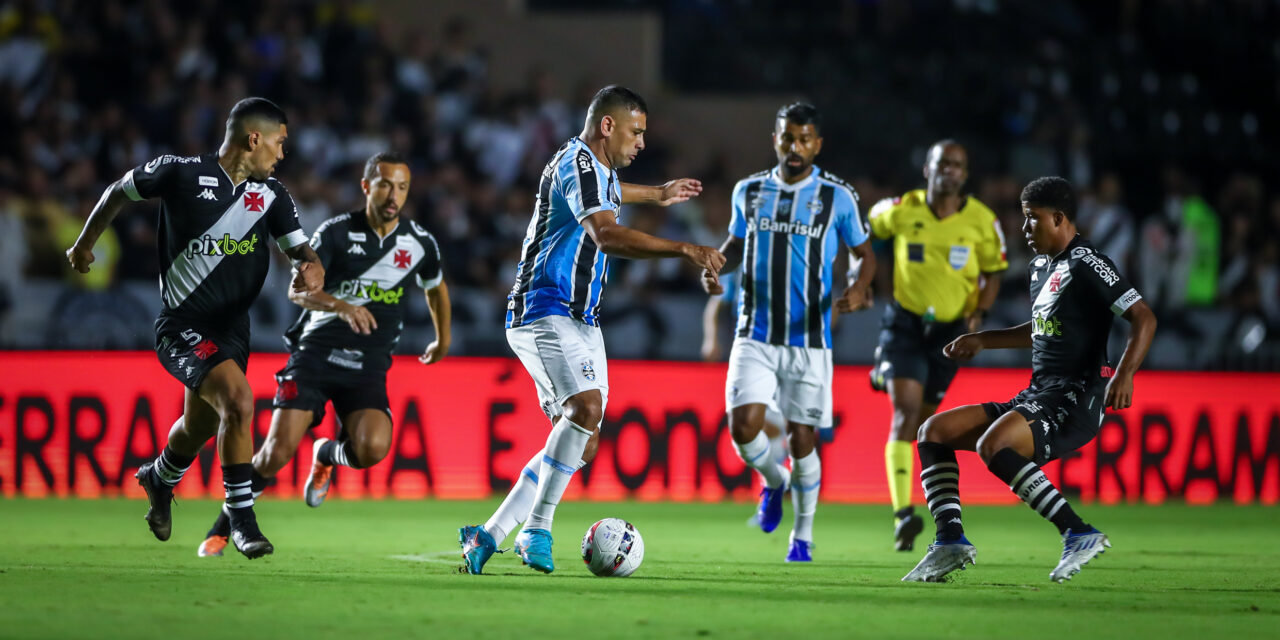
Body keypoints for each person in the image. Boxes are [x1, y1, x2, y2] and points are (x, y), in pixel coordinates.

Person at [457, 85, 724, 575]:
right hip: (543, 308)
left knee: (586, 436)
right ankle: (538, 527)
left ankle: (488, 535)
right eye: (635, 131)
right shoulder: (577, 163)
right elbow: (607, 234)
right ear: (608, 125)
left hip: (581, 317)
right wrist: (685, 249)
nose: (641, 143)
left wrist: (657, 194)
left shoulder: (591, 169)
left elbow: (607, 191)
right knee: (585, 409)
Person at [65, 97, 324, 559]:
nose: (282, 155)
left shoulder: (273, 196)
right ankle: (241, 520)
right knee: (239, 401)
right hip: (181, 325)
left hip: (232, 331)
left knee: (199, 426)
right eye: (280, 143)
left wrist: (312, 271)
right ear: (254, 139)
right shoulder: (180, 172)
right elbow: (118, 192)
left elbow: (305, 255)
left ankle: (159, 477)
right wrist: (85, 244)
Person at [903, 176, 1156, 583]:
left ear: (1058, 218)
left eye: (1031, 219)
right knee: (934, 431)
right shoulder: (1041, 266)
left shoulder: (1088, 263)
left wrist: (1124, 374)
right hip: (1039, 394)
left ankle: (1078, 532)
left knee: (994, 445)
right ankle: (950, 540)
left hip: (1076, 398)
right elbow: (1041, 328)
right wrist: (982, 340)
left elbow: (1143, 316)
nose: (1024, 230)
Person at [196, 152, 450, 557]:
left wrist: (443, 339)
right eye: (384, 184)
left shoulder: (419, 243)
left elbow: (435, 287)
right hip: (316, 355)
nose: (393, 195)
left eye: (401, 187)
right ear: (367, 186)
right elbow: (298, 290)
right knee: (276, 452)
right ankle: (224, 527)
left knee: (371, 450)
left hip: (368, 366)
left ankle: (326, 452)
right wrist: (341, 306)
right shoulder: (335, 233)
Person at [705, 102, 876, 562]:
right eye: (787, 138)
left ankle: (802, 536)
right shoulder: (750, 191)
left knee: (803, 441)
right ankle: (773, 480)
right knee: (743, 429)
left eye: (804, 140)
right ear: (775, 139)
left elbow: (864, 253)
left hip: (809, 339)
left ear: (817, 144)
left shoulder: (837, 197)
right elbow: (736, 244)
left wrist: (859, 287)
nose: (795, 148)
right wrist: (716, 266)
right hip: (754, 332)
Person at [866, 140, 1008, 551]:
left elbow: (994, 272)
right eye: (942, 162)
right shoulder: (901, 209)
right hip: (906, 323)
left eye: (957, 165)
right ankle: (902, 514)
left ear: (965, 174)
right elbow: (867, 233)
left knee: (924, 425)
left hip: (950, 334)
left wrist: (979, 314)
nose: (949, 169)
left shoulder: (982, 221)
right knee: (905, 413)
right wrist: (864, 278)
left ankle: (883, 370)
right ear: (927, 169)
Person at [700, 270, 789, 526]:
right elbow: (715, 305)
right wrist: (711, 339)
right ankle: (774, 489)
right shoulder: (740, 263)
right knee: (755, 424)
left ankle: (777, 494)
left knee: (774, 426)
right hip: (750, 354)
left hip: (786, 353)